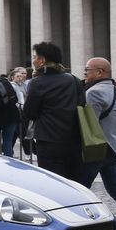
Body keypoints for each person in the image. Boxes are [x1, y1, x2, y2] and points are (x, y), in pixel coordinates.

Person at [22, 41, 85, 183]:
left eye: (34, 57)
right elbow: (82, 105)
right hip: (74, 140)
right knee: (74, 182)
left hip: (48, 141)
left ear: (42, 60)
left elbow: (29, 113)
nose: (33, 61)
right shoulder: (74, 80)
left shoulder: (37, 82)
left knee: (54, 183)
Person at [79, 58, 116, 204]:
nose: (84, 72)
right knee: (115, 189)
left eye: (87, 69)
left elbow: (89, 124)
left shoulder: (94, 92)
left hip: (96, 149)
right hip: (113, 147)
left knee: (79, 189)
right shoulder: (115, 89)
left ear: (100, 72)